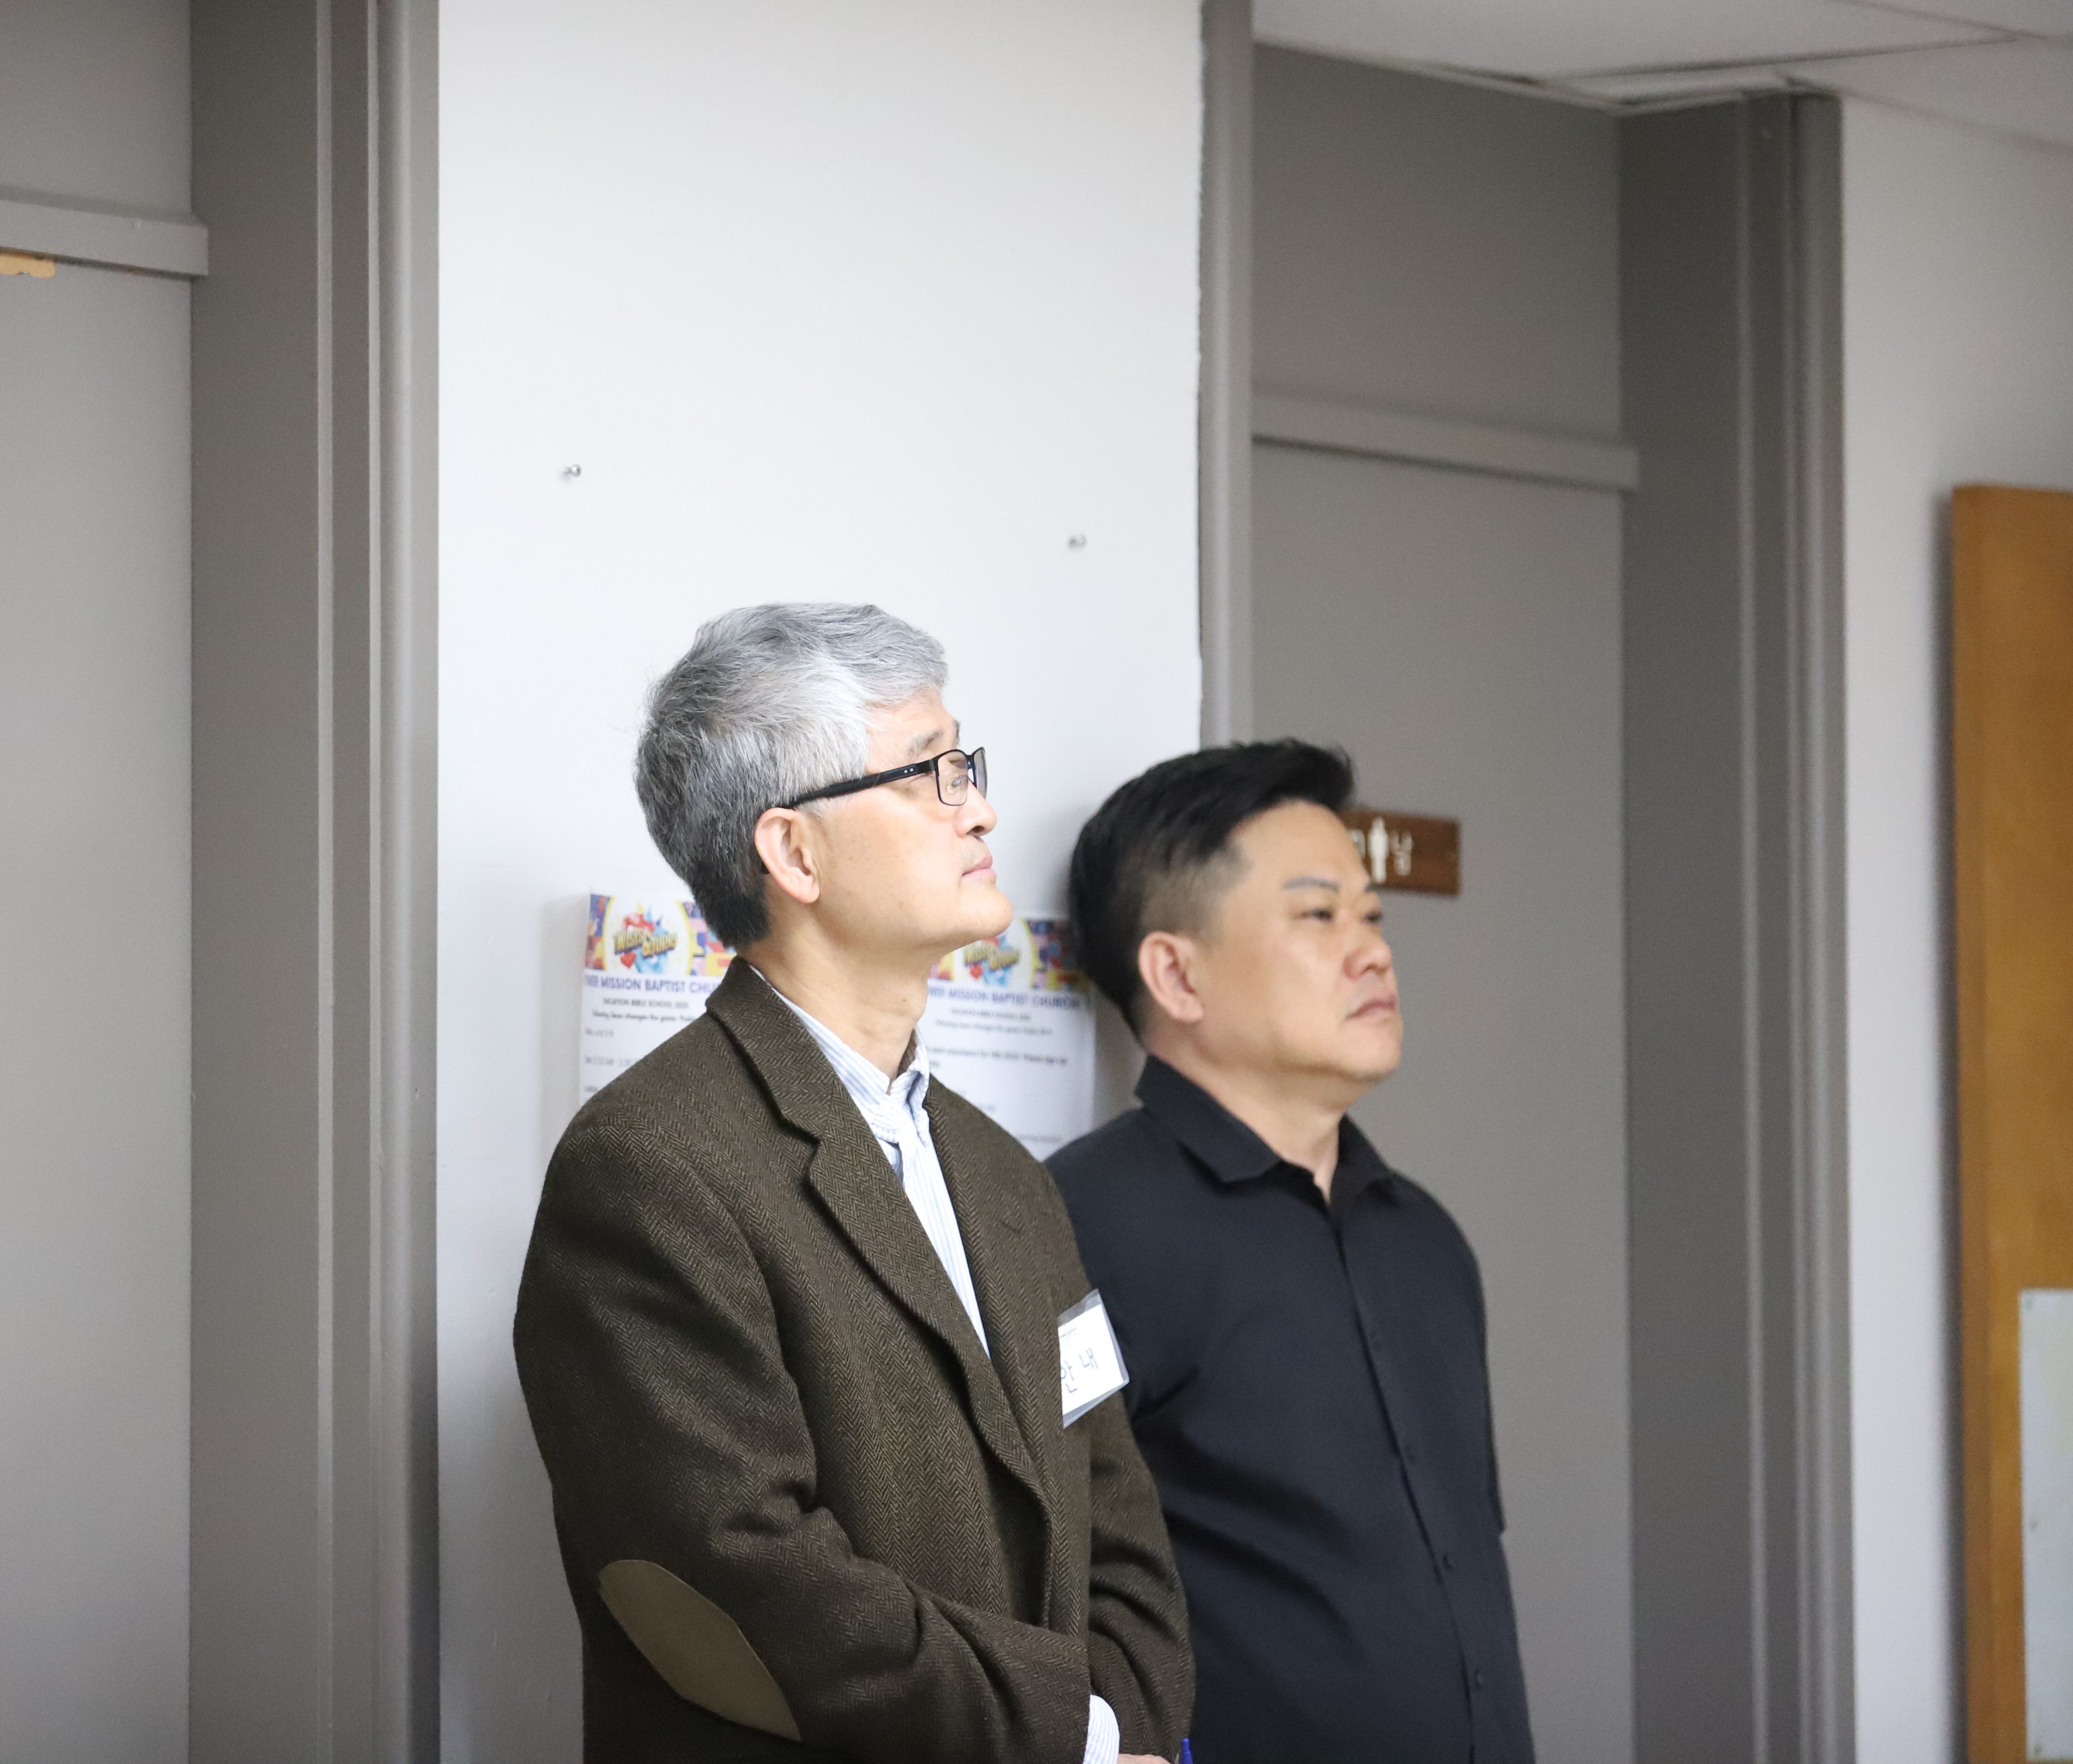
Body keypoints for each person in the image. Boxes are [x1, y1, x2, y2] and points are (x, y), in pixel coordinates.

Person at [515, 604, 1192, 1764]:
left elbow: (1115, 1504)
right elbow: (745, 1579)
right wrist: (1074, 1737)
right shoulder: (646, 1166)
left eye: (967, 766)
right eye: (931, 773)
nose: (979, 808)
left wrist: (1131, 1721)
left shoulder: (1005, 1174)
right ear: (794, 853)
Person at [1049, 741, 1534, 1764]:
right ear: (1176, 973)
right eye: (1319, 917)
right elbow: (1016, 1575)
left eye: (1373, 917)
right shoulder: (1074, 1228)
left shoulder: (1425, 1238)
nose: (1373, 954)